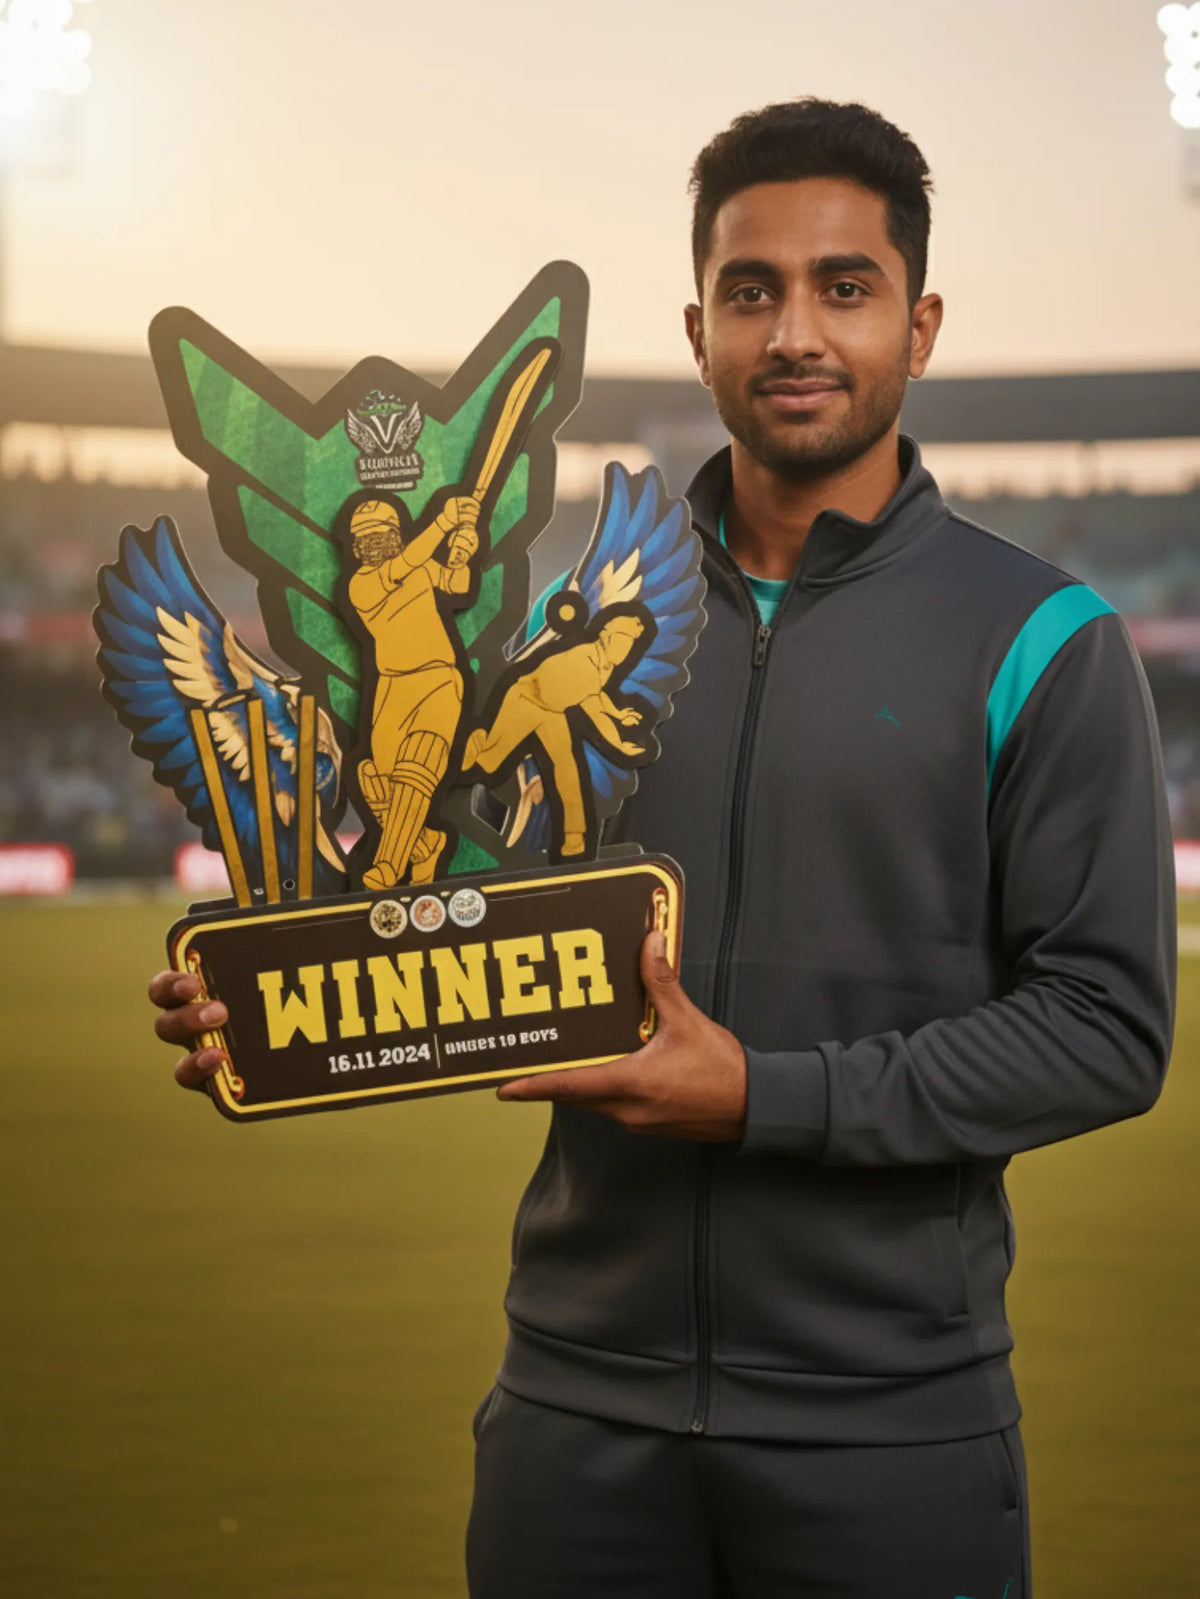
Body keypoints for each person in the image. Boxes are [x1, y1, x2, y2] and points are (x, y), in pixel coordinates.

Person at [149, 99, 1175, 1597]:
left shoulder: (1045, 641)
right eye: (752, 291)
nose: (795, 331)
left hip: (891, 1425)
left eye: (845, 286)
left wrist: (761, 1095)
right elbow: (465, 920)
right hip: (578, 1415)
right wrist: (288, 990)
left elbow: (1105, 1029)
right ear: (698, 331)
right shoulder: (549, 630)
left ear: (921, 324)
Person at [346, 492, 480, 888]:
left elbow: (456, 584)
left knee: (418, 766)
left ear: (396, 534)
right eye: (366, 537)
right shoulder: (361, 584)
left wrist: (461, 555)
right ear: (356, 546)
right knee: (376, 781)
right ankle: (425, 847)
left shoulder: (419, 567)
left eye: (382, 533)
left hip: (437, 681)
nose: (375, 542)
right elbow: (404, 565)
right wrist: (444, 522)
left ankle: (389, 864)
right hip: (392, 689)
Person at [463, 612, 648, 857]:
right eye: (622, 640)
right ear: (605, 637)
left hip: (553, 712)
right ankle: (476, 743)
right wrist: (617, 736)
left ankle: (574, 837)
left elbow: (595, 697)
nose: (624, 649)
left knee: (567, 768)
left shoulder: (604, 666)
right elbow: (593, 706)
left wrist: (618, 728)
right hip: (525, 701)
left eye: (629, 644)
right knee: (489, 762)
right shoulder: (584, 659)